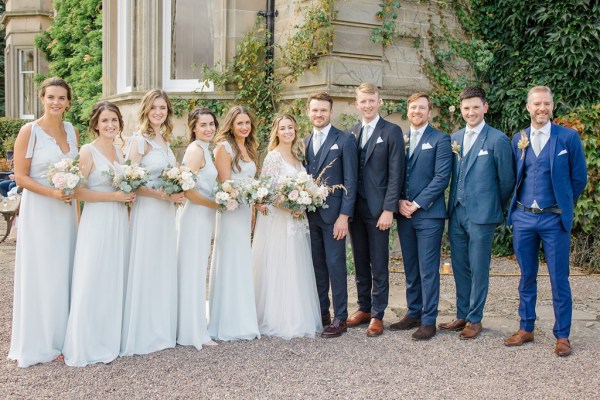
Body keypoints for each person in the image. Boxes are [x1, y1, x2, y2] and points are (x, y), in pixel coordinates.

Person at [504, 86, 587, 357]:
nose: (542, 108)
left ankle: (562, 335)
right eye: (537, 104)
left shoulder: (568, 138)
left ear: (552, 106)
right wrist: (517, 213)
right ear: (528, 107)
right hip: (524, 217)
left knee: (558, 278)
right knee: (526, 276)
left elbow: (579, 179)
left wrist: (562, 204)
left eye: (547, 104)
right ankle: (526, 327)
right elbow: (513, 177)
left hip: (554, 219)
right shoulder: (519, 138)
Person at [8, 77, 79, 367]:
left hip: (66, 209)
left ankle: (64, 338)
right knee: (43, 271)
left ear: (68, 102)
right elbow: (20, 176)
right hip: (41, 208)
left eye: (61, 98)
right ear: (42, 98)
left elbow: (77, 169)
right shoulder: (30, 131)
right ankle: (40, 341)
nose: (56, 103)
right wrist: (51, 191)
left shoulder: (72, 130)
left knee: (65, 269)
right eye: (51, 97)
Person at [438, 87, 515, 340]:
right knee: (459, 265)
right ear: (461, 110)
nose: (470, 112)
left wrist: (491, 205)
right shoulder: (455, 138)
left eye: (475, 107)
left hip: (482, 215)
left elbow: (506, 181)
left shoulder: (497, 139)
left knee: (479, 266)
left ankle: (475, 318)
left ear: (485, 107)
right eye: (466, 108)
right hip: (457, 212)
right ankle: (462, 313)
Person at [62, 102, 134, 366]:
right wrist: (114, 195)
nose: (110, 125)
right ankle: (86, 342)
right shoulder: (88, 151)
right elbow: (77, 192)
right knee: (92, 275)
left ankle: (109, 336)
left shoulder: (119, 152)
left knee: (113, 276)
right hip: (97, 219)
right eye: (105, 121)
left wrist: (126, 196)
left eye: (114, 120)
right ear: (95, 124)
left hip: (118, 220)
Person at [120, 89, 184, 356]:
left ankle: (161, 327)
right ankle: (143, 330)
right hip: (148, 210)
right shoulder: (139, 141)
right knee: (147, 263)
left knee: (162, 264)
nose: (159, 112)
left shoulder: (165, 141)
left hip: (165, 213)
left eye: (163, 108)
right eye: (155, 107)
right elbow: (129, 181)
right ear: (146, 110)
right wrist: (163, 194)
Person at [252, 114, 322, 339]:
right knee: (280, 264)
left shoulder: (297, 157)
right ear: (276, 132)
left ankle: (297, 315)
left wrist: (306, 200)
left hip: (297, 221)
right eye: (283, 128)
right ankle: (277, 318)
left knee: (296, 265)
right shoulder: (273, 157)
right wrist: (290, 207)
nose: (287, 131)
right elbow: (267, 192)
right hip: (279, 220)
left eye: (290, 127)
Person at [389, 92, 451, 341]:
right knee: (411, 266)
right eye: (413, 107)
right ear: (408, 110)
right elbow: (392, 174)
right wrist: (397, 202)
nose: (417, 111)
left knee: (428, 269)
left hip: (428, 215)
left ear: (429, 112)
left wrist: (416, 204)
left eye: (422, 108)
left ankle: (428, 320)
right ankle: (413, 312)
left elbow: (441, 178)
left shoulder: (440, 139)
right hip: (404, 214)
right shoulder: (401, 139)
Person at [347, 83, 405, 337]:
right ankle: (364, 308)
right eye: (363, 101)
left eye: (372, 100)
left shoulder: (392, 131)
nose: (368, 105)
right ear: (356, 104)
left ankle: (379, 314)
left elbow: (396, 175)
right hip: (355, 209)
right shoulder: (352, 132)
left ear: (379, 102)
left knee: (379, 262)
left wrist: (388, 209)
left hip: (378, 209)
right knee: (360, 260)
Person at [304, 92, 358, 338]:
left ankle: (340, 317)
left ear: (330, 112)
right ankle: (322, 312)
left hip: (335, 217)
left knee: (336, 266)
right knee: (317, 266)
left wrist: (344, 216)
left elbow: (351, 181)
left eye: (323, 110)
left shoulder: (344, 140)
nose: (319, 114)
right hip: (309, 216)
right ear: (308, 112)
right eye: (315, 110)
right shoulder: (304, 141)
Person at [208, 106, 260, 341]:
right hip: (230, 212)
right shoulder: (224, 148)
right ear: (231, 124)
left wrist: (252, 205)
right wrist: (245, 195)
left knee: (242, 261)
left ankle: (243, 318)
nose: (244, 127)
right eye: (240, 123)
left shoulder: (250, 147)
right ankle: (227, 322)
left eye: (247, 123)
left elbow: (251, 180)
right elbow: (225, 185)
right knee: (230, 260)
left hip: (245, 209)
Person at [176, 107, 219, 349]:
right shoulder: (195, 150)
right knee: (192, 269)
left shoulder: (206, 149)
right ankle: (192, 332)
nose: (208, 128)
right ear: (194, 127)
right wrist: (214, 202)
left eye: (211, 124)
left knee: (196, 267)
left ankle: (194, 325)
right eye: (203, 125)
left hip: (204, 216)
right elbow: (187, 190)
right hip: (195, 215)